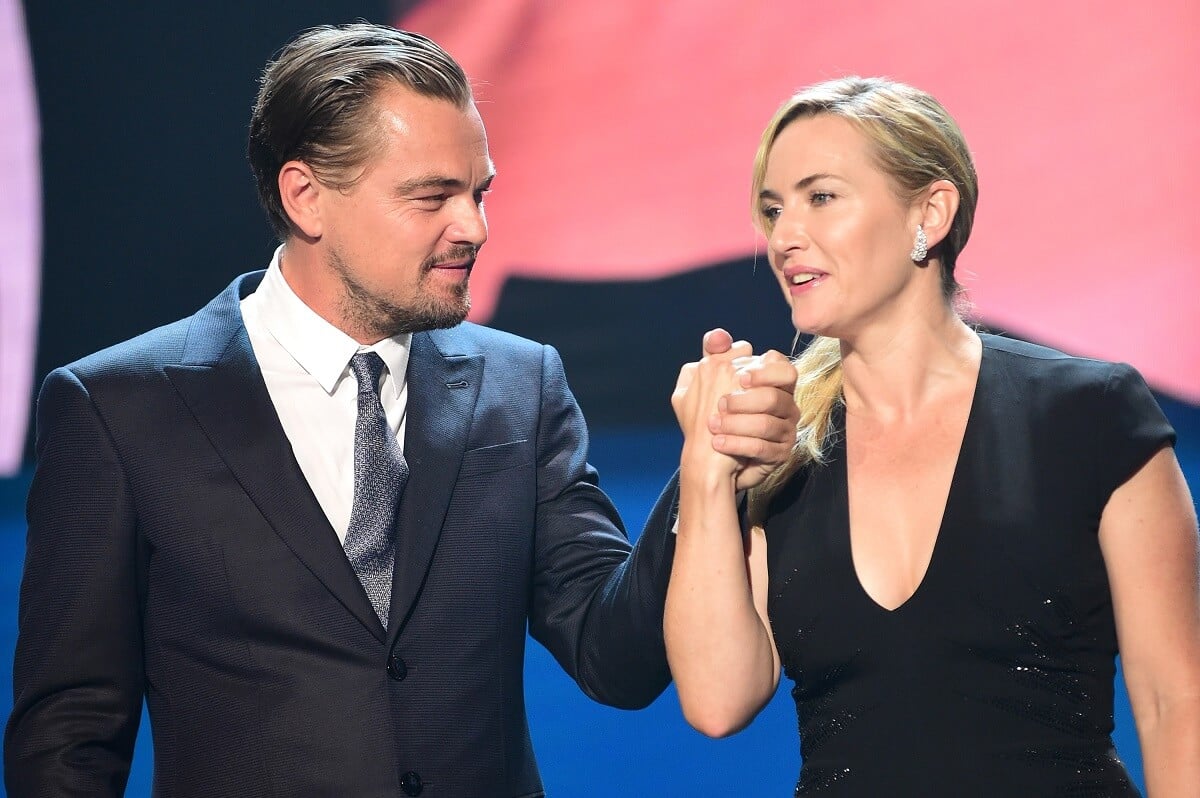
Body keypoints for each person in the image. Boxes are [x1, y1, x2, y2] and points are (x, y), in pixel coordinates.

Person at [4, 23, 801, 798]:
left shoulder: (521, 384)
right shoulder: (120, 407)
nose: (476, 228)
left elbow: (614, 658)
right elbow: (71, 734)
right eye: (433, 198)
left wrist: (703, 466)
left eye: (479, 192)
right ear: (307, 196)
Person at [665, 76, 1200, 796]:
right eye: (772, 208)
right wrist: (706, 470)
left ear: (931, 212)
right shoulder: (785, 444)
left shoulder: (1089, 412)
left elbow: (1176, 703)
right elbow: (716, 700)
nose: (784, 236)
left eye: (820, 197)